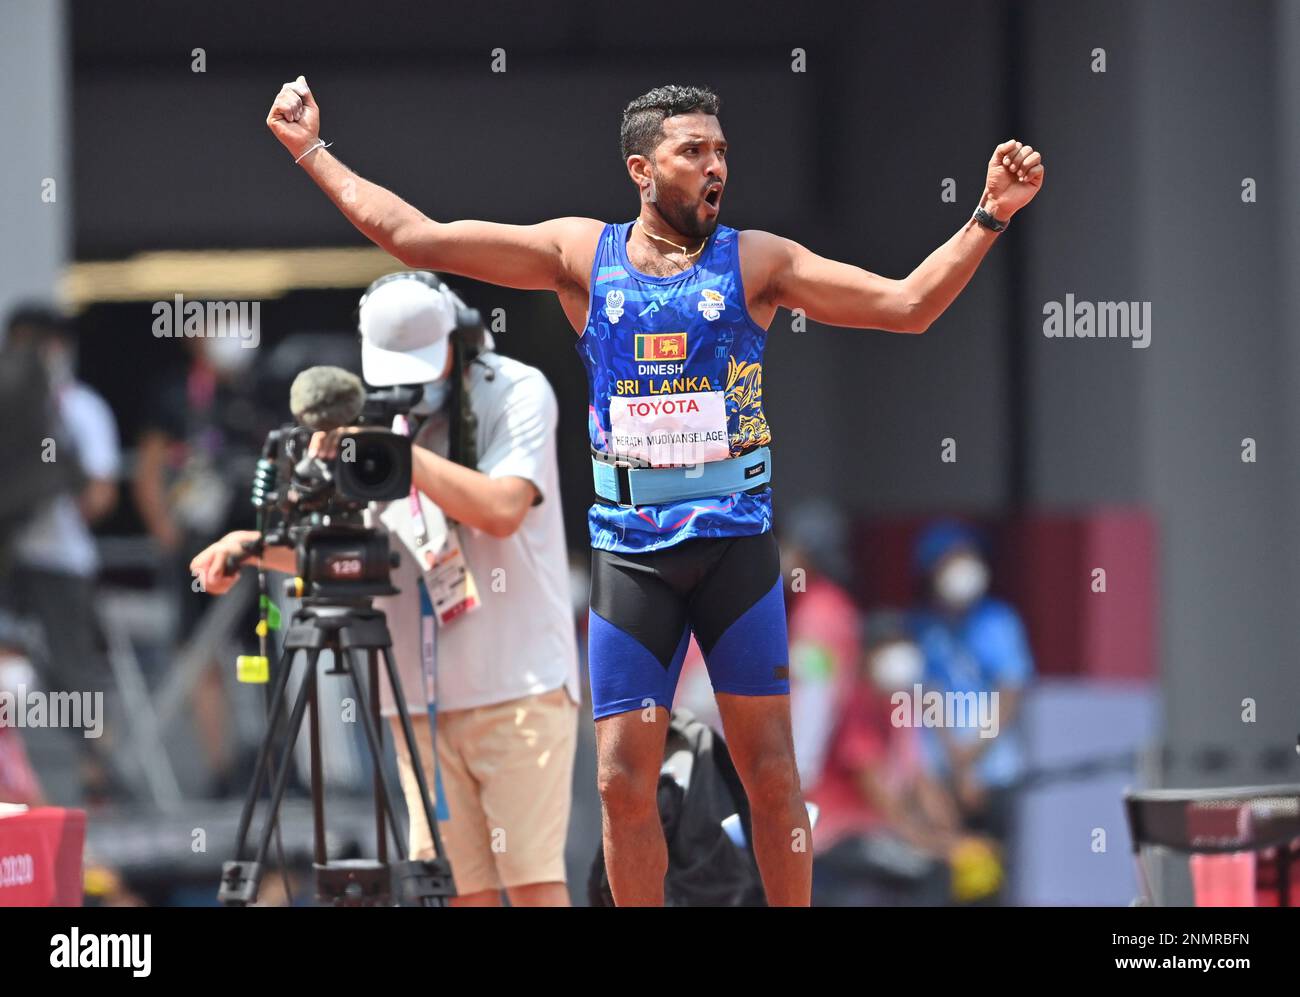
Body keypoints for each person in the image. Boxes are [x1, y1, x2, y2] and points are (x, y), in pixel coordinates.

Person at [261, 75, 1046, 906]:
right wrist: (311, 151)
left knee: (772, 774)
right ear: (643, 167)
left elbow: (908, 305)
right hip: (633, 554)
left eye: (722, 152)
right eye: (693, 151)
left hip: (735, 550)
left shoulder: (756, 261)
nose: (716, 167)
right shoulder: (580, 257)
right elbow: (418, 238)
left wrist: (989, 213)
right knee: (618, 784)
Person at [192, 273, 581, 907]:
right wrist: (255, 546)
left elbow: (504, 508)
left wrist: (398, 454)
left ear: (458, 339)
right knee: (459, 893)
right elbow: (358, 548)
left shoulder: (514, 389)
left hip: (518, 686)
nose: (410, 378)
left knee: (533, 889)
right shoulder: (383, 415)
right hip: (418, 701)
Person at [0, 305, 122, 801]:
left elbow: (99, 495)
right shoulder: (8, 400)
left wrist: (49, 485)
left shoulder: (81, 409)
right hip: (8, 560)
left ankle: (100, 780)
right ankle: (15, 785)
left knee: (76, 676)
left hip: (61, 562)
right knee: (9, 674)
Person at [908, 520, 1034, 894]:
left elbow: (1009, 694)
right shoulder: (921, 625)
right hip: (939, 773)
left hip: (994, 771)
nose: (964, 566)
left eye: (969, 556)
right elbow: (924, 693)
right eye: (952, 558)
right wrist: (958, 764)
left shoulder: (999, 620)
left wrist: (974, 756)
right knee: (943, 874)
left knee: (990, 876)